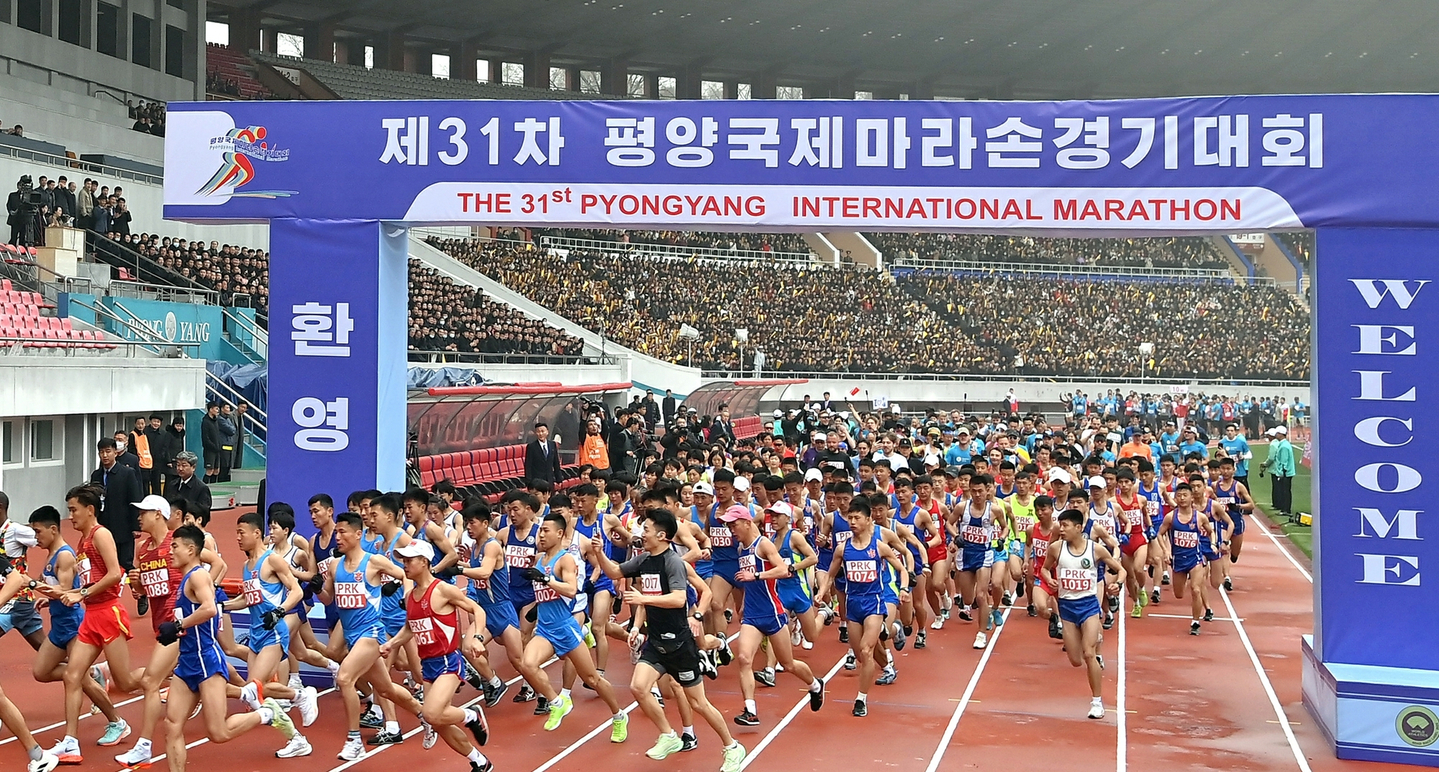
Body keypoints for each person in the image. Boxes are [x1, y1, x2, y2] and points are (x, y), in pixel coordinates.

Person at [590, 506, 747, 769]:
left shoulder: (673, 562)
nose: (642, 533)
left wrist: (644, 599)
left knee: (699, 703)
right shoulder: (644, 560)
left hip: (679, 644)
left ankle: (732, 747)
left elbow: (678, 599)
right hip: (656, 642)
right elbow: (615, 572)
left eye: (646, 529)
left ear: (662, 535)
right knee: (638, 687)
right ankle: (668, 735)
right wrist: (598, 553)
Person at [160, 525, 300, 772]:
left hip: (207, 660)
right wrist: (177, 630)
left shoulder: (198, 576)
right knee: (172, 725)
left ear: (190, 549)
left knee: (219, 733)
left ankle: (266, 713)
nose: (169, 551)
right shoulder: (185, 579)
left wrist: (179, 625)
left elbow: (209, 608)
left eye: (174, 546)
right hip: (188, 660)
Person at [315, 511, 430, 760]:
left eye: (342, 532)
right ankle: (424, 715)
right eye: (336, 532)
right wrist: (316, 589)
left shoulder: (373, 561)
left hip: (371, 632)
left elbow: (405, 575)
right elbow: (328, 598)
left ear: (358, 534)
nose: (338, 537)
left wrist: (405, 595)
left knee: (345, 678)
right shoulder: (334, 565)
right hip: (350, 634)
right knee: (386, 689)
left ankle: (354, 740)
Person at [381, 540, 493, 772]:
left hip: (448, 661)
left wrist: (477, 637)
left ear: (424, 562)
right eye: (403, 560)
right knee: (439, 723)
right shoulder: (410, 596)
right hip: (428, 665)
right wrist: (391, 644)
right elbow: (410, 628)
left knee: (431, 714)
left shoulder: (442, 590)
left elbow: (477, 609)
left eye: (409, 560)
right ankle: (479, 761)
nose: (404, 565)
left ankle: (471, 715)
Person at [515, 511, 629, 739]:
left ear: (559, 533)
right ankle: (557, 703)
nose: (541, 535)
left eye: (546, 531)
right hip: (545, 629)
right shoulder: (539, 559)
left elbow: (570, 590)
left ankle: (619, 715)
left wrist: (545, 579)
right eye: (540, 531)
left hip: (565, 628)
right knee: (527, 664)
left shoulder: (565, 559)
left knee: (592, 679)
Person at [52, 485, 145, 763]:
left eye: (74, 510)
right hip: (91, 616)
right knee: (72, 675)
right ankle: (70, 742)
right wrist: (62, 594)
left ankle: (171, 674)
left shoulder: (100, 534)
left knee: (125, 682)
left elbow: (115, 573)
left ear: (90, 510)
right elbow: (89, 580)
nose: (70, 516)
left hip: (107, 613)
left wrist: (81, 594)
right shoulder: (82, 542)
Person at [720, 503, 825, 727]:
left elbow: (783, 570)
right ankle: (750, 710)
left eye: (734, 525)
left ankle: (815, 685)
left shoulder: (763, 544)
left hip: (773, 613)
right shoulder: (741, 549)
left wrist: (757, 575)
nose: (731, 530)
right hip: (752, 615)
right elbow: (747, 581)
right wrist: (744, 603)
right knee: (744, 658)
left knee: (788, 664)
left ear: (747, 523)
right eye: (728, 526)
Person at [225, 511, 318, 755]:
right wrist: (222, 605)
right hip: (256, 633)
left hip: (274, 632)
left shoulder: (272, 560)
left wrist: (279, 611)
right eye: (236, 533)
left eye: (241, 533)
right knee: (258, 690)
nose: (237, 538)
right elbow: (247, 599)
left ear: (257, 533)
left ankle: (300, 697)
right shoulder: (246, 566)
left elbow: (296, 591)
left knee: (254, 687)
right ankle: (298, 733)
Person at [817, 497, 907, 717]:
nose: (852, 522)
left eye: (857, 518)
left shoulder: (879, 546)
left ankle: (861, 699)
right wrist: (821, 591)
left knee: (867, 650)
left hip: (873, 603)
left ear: (868, 520)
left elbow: (901, 568)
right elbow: (830, 574)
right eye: (850, 518)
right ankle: (890, 648)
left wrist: (904, 588)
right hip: (852, 603)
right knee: (859, 654)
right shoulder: (843, 548)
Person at [1043, 508, 1125, 719]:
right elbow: (1044, 569)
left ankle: (1097, 702)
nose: (1061, 530)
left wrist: (1117, 584)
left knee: (1089, 653)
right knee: (1076, 660)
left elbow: (1121, 570)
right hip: (1067, 607)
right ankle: (1092, 640)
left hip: (1088, 605)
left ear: (1078, 528)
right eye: (1060, 526)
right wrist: (1049, 579)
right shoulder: (1056, 548)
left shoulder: (1095, 549)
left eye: (1065, 526)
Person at [89, 438, 143, 572]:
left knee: (125, 564)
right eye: (101, 452)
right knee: (102, 564)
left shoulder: (127, 473)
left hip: (122, 527)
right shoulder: (96, 475)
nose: (105, 455)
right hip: (102, 525)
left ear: (115, 452)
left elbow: (134, 499)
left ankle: (132, 586)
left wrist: (136, 526)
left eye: (108, 451)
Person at [1261, 425, 1296, 516]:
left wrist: (1281, 473)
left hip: (1286, 473)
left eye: (1277, 433)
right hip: (1287, 472)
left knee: (1285, 491)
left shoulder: (1283, 446)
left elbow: (1283, 461)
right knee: (1285, 491)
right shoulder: (1284, 444)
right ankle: (1285, 508)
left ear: (1280, 434)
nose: (1276, 435)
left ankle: (1286, 509)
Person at [201, 403, 222, 483]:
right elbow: (205, 439)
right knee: (210, 470)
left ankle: (214, 486)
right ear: (210, 409)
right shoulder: (205, 421)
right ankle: (204, 486)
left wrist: (219, 446)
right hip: (209, 450)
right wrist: (214, 447)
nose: (218, 411)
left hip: (217, 450)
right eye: (216, 409)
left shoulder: (216, 421)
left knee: (216, 470)